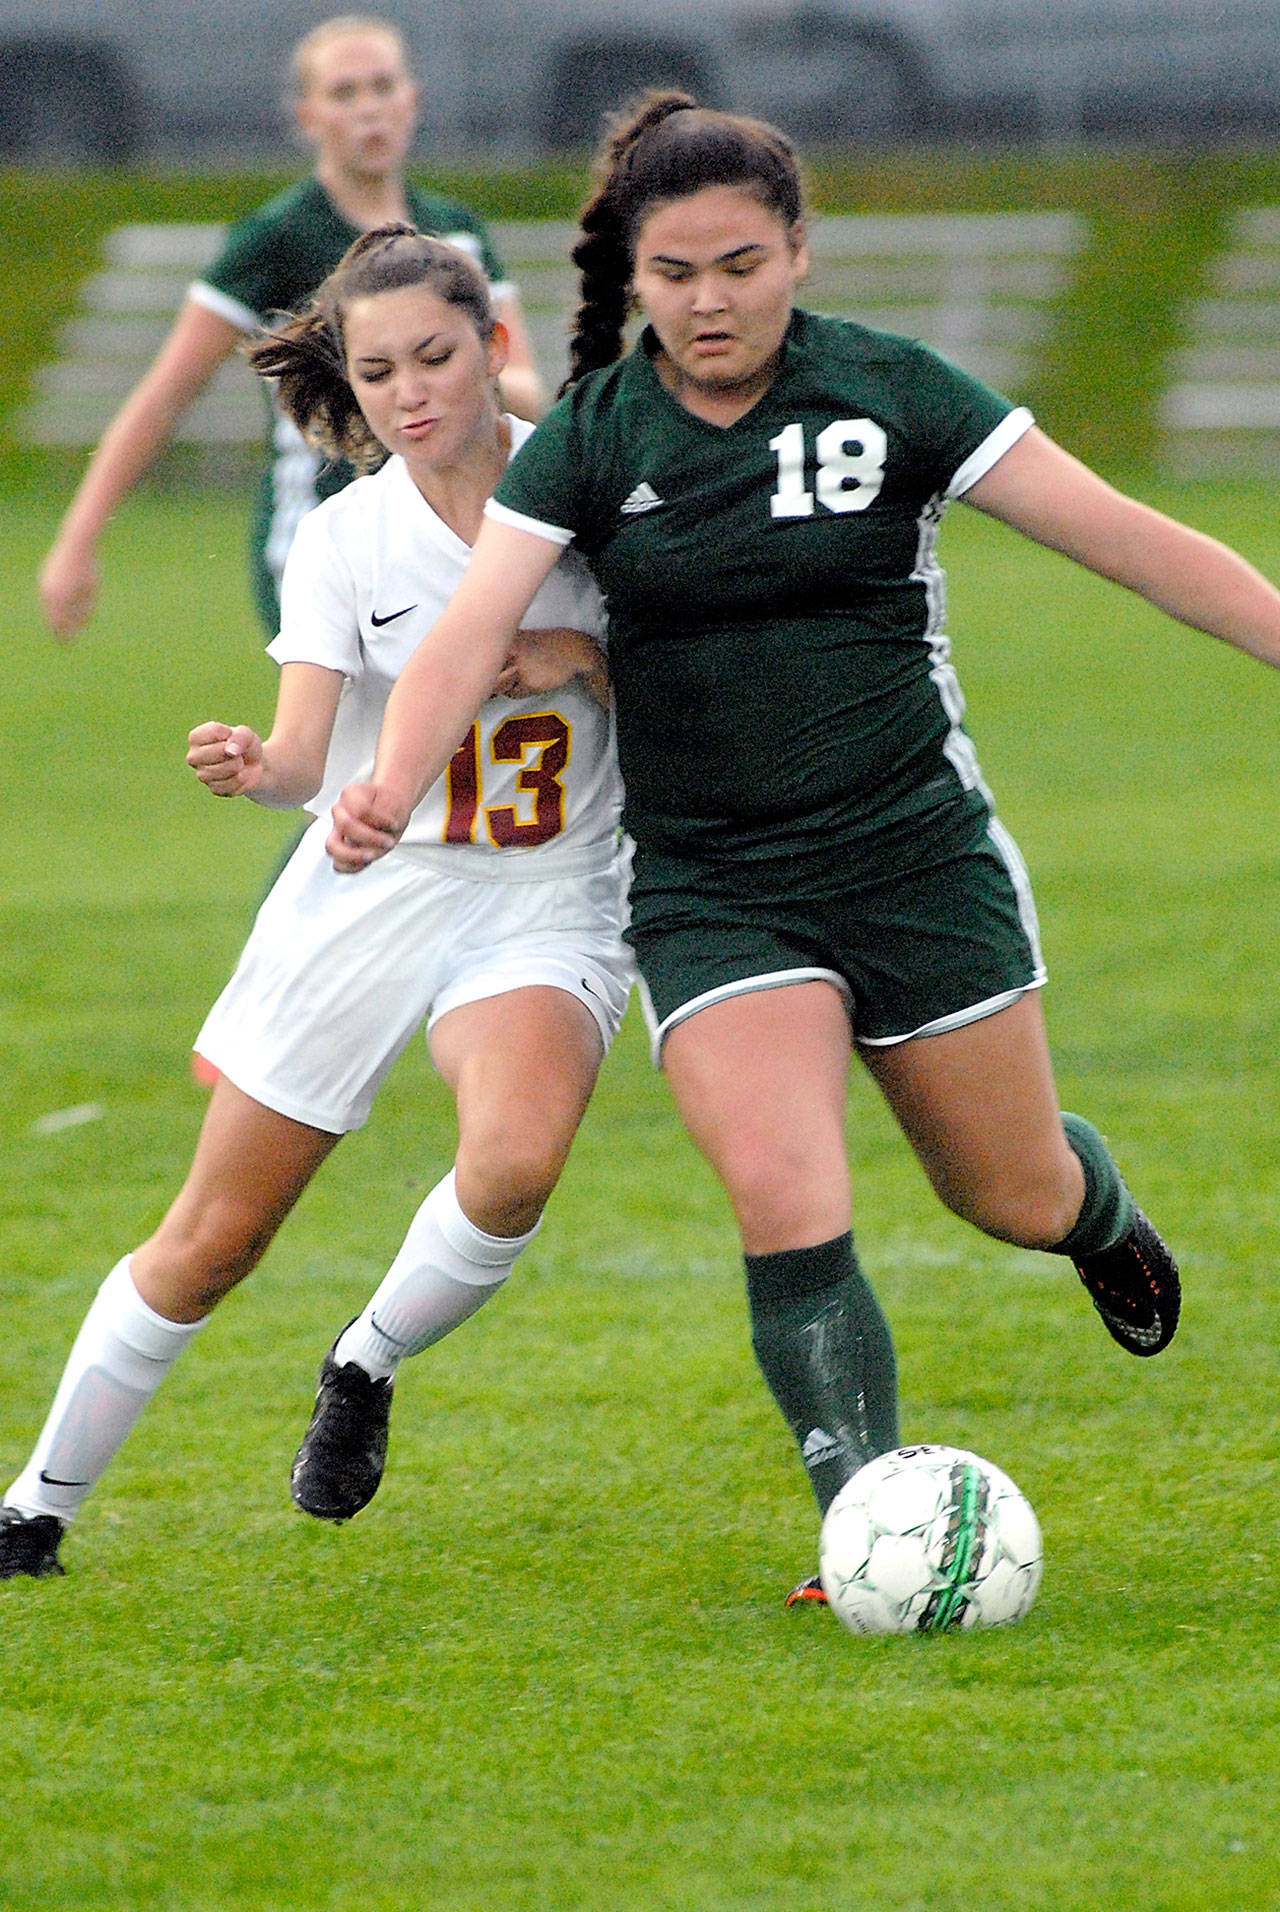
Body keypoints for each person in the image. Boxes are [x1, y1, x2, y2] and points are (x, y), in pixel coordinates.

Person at [323, 95, 1280, 1605]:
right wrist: (386, 780)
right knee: (785, 1187)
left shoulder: (891, 391)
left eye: (741, 266)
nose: (710, 301)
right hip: (715, 886)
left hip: (913, 858)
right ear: (633, 278)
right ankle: (862, 1528)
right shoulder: (592, 435)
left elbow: (1127, 539)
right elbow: (468, 629)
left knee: (1009, 1193)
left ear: (797, 254)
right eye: (675, 272)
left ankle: (1094, 1216)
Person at [0, 226, 631, 1580]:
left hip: (550, 893)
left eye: (434, 357)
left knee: (514, 1162)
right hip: (371, 891)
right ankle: (32, 1509)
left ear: (494, 348)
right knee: (215, 1237)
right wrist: (257, 767)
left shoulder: (592, 492)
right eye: (377, 371)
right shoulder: (348, 538)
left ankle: (365, 1360)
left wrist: (580, 651)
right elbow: (301, 755)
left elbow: (699, 674)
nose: (409, 393)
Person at [37, 13, 546, 645]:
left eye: (383, 86)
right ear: (309, 117)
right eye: (344, 92)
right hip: (318, 528)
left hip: (448, 524)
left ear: (412, 100)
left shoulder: (456, 235)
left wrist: (456, 376)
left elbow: (525, 387)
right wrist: (78, 539)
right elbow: (166, 394)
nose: (369, 109)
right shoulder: (277, 237)